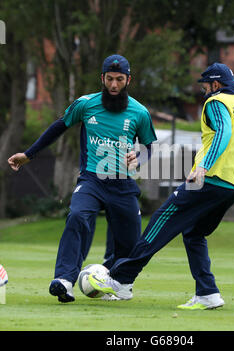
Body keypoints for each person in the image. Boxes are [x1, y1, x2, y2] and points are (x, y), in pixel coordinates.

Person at [88, 62, 234, 309]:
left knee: (161, 220)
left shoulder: (216, 102)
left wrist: (203, 166)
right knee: (194, 233)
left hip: (210, 179)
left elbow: (223, 133)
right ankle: (208, 293)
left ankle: (121, 280)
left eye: (206, 86)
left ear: (215, 85)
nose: (204, 91)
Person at [7, 54, 157, 303]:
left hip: (122, 185)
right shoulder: (85, 104)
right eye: (109, 79)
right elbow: (58, 126)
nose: (114, 85)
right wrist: (28, 154)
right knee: (77, 216)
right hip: (91, 181)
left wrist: (138, 158)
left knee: (131, 243)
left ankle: (118, 283)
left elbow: (150, 146)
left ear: (128, 80)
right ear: (102, 78)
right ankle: (64, 280)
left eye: (119, 79)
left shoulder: (139, 112)